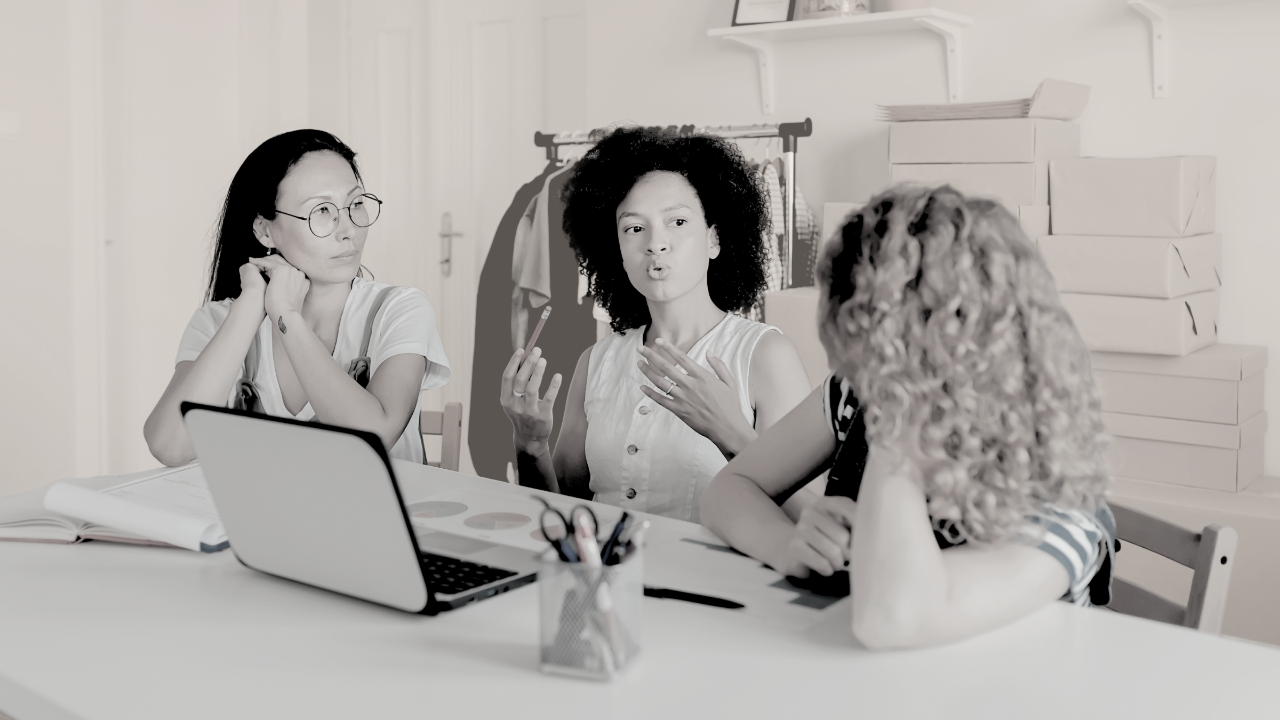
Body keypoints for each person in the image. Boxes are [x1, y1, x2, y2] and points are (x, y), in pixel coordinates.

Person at [700, 185, 1116, 649]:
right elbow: (726, 491)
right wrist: (788, 545)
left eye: (882, 356)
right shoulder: (855, 396)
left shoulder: (1058, 499)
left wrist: (897, 417)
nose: (864, 378)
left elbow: (892, 618)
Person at [500, 126, 812, 523]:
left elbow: (809, 521)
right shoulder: (596, 362)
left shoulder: (766, 356)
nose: (655, 243)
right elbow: (564, 509)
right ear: (617, 250)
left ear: (714, 240)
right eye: (634, 228)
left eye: (677, 222)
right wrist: (530, 445)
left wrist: (732, 434)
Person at [144, 129, 450, 466]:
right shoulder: (218, 322)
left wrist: (286, 315)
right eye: (321, 210)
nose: (348, 229)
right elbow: (170, 446)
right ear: (264, 230)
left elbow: (374, 437)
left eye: (356, 204)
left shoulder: (400, 310)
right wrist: (250, 306)